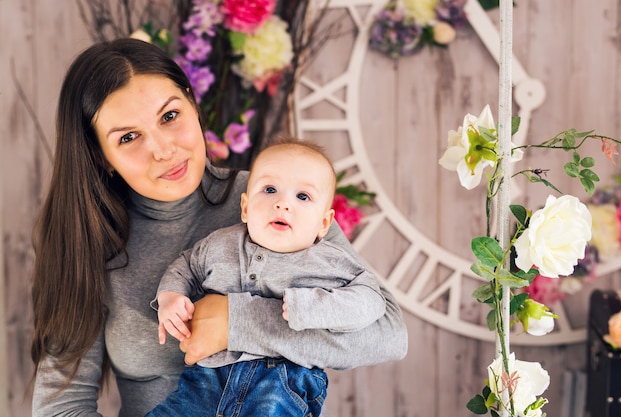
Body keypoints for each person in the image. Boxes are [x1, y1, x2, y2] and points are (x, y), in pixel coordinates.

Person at [30, 37, 408, 417]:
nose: (164, 149)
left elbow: (388, 336)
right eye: (128, 137)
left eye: (170, 116)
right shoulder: (88, 241)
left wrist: (236, 322)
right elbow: (60, 406)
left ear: (193, 106)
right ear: (100, 155)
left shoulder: (276, 198)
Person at [147, 138, 387, 417]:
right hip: (208, 380)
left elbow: (371, 299)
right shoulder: (219, 245)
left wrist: (316, 307)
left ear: (324, 223)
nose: (283, 203)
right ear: (246, 207)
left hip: (283, 382)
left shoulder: (329, 260)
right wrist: (170, 296)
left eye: (303, 196)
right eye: (270, 190)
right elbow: (186, 265)